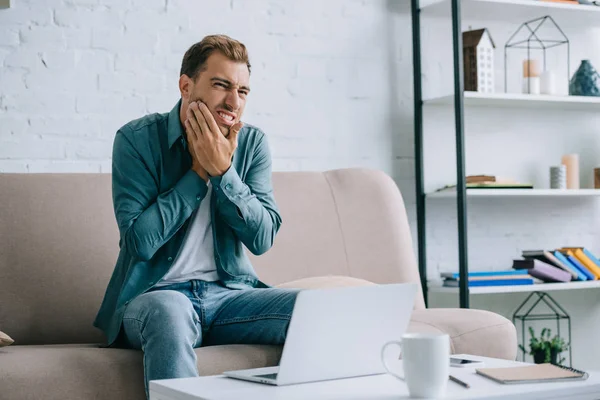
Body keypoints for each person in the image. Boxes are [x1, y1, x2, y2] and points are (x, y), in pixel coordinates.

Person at [93, 34, 299, 398]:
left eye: (243, 90)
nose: (233, 101)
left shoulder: (252, 144)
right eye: (221, 85)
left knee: (315, 310)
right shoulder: (136, 140)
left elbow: (262, 238)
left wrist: (225, 173)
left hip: (229, 297)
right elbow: (139, 242)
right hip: (155, 296)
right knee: (171, 310)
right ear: (186, 86)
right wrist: (200, 172)